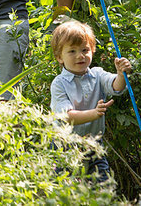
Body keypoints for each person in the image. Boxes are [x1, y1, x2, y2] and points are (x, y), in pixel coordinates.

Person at [50, 20, 132, 182]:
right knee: (67, 189)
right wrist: (93, 114)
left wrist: (121, 75)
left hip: (94, 144)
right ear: (59, 57)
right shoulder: (59, 84)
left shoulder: (98, 74)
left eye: (85, 50)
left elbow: (116, 87)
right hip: (66, 146)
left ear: (92, 50)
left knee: (102, 185)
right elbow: (66, 117)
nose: (80, 55)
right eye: (72, 51)